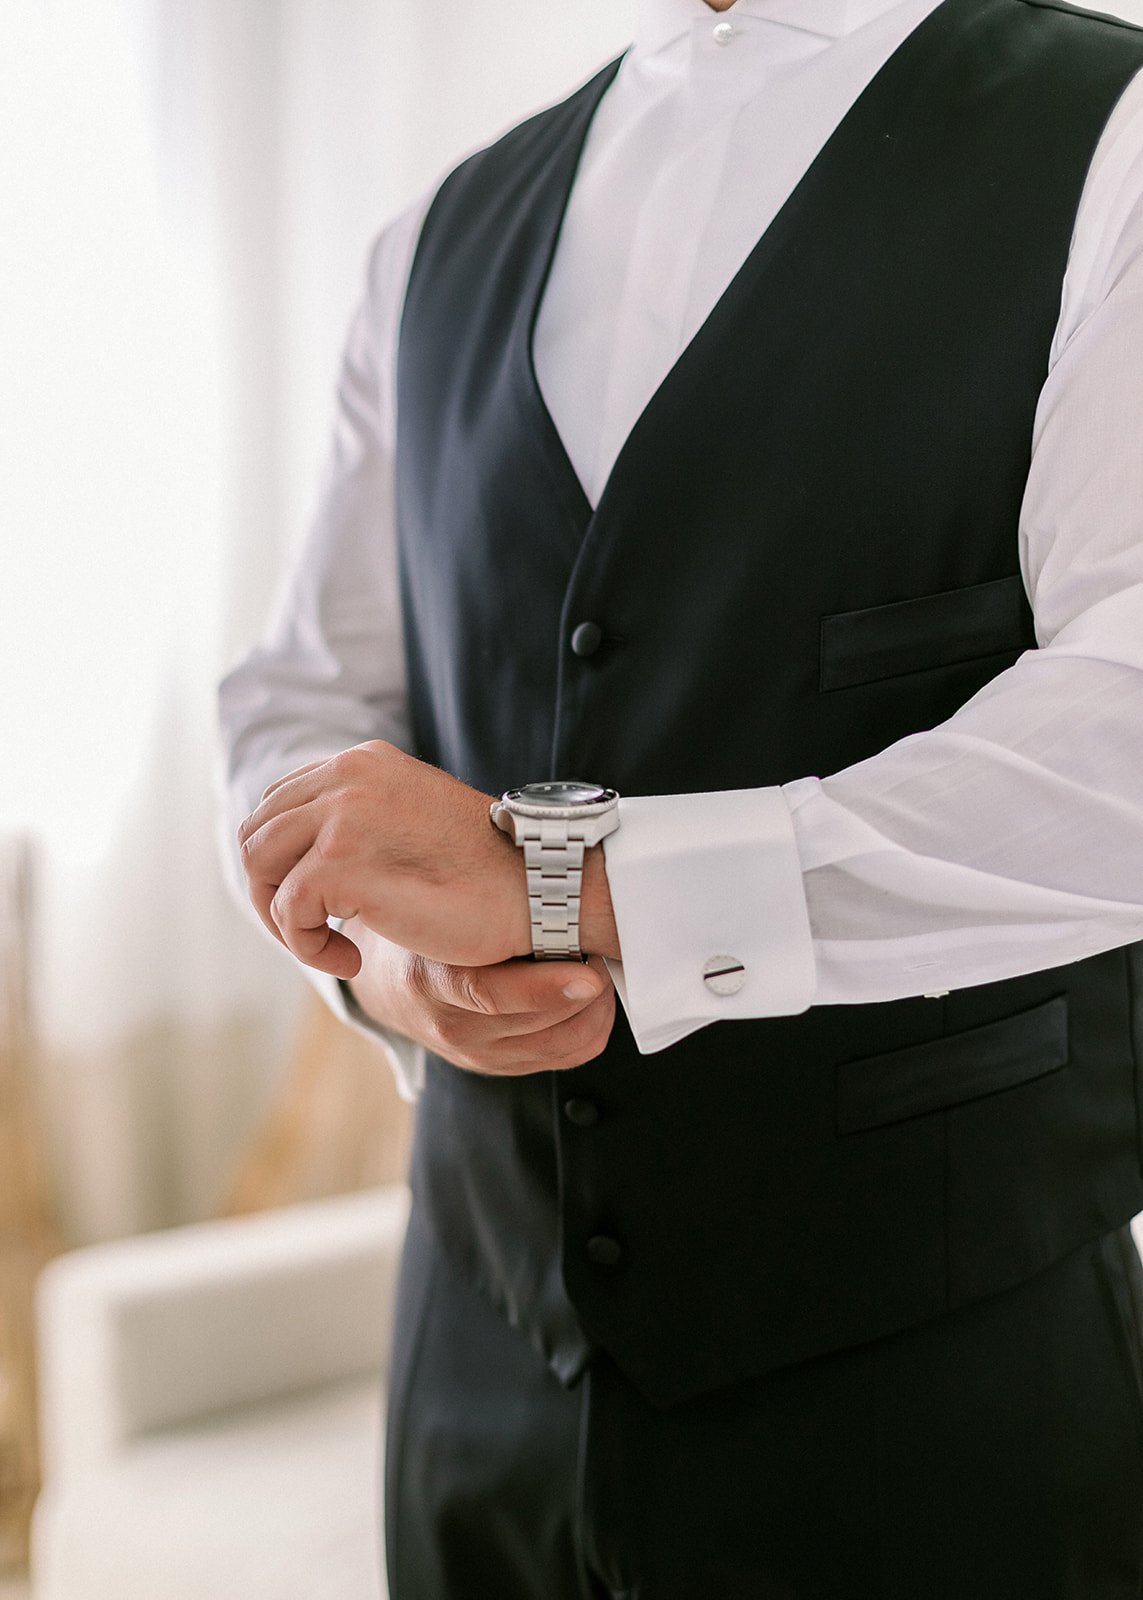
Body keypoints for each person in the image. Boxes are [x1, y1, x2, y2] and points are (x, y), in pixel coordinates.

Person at [219, 0, 1143, 1592]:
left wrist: (569, 888)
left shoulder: (1112, 134)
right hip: (473, 1378)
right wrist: (389, 968)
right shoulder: (435, 235)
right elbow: (302, 695)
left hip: (936, 1404)